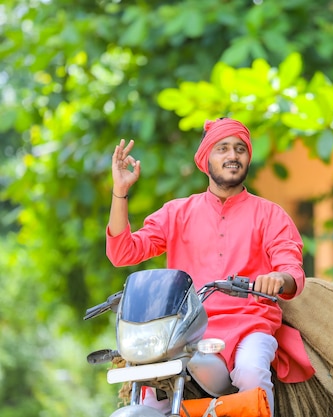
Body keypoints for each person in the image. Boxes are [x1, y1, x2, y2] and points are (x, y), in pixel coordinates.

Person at [105, 117, 314, 416]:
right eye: (223, 148)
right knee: (152, 391)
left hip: (249, 326)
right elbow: (122, 252)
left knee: (252, 372)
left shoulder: (270, 215)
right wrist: (120, 190)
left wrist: (277, 278)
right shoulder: (177, 213)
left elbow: (292, 270)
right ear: (206, 160)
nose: (233, 156)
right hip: (185, 330)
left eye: (240, 149)